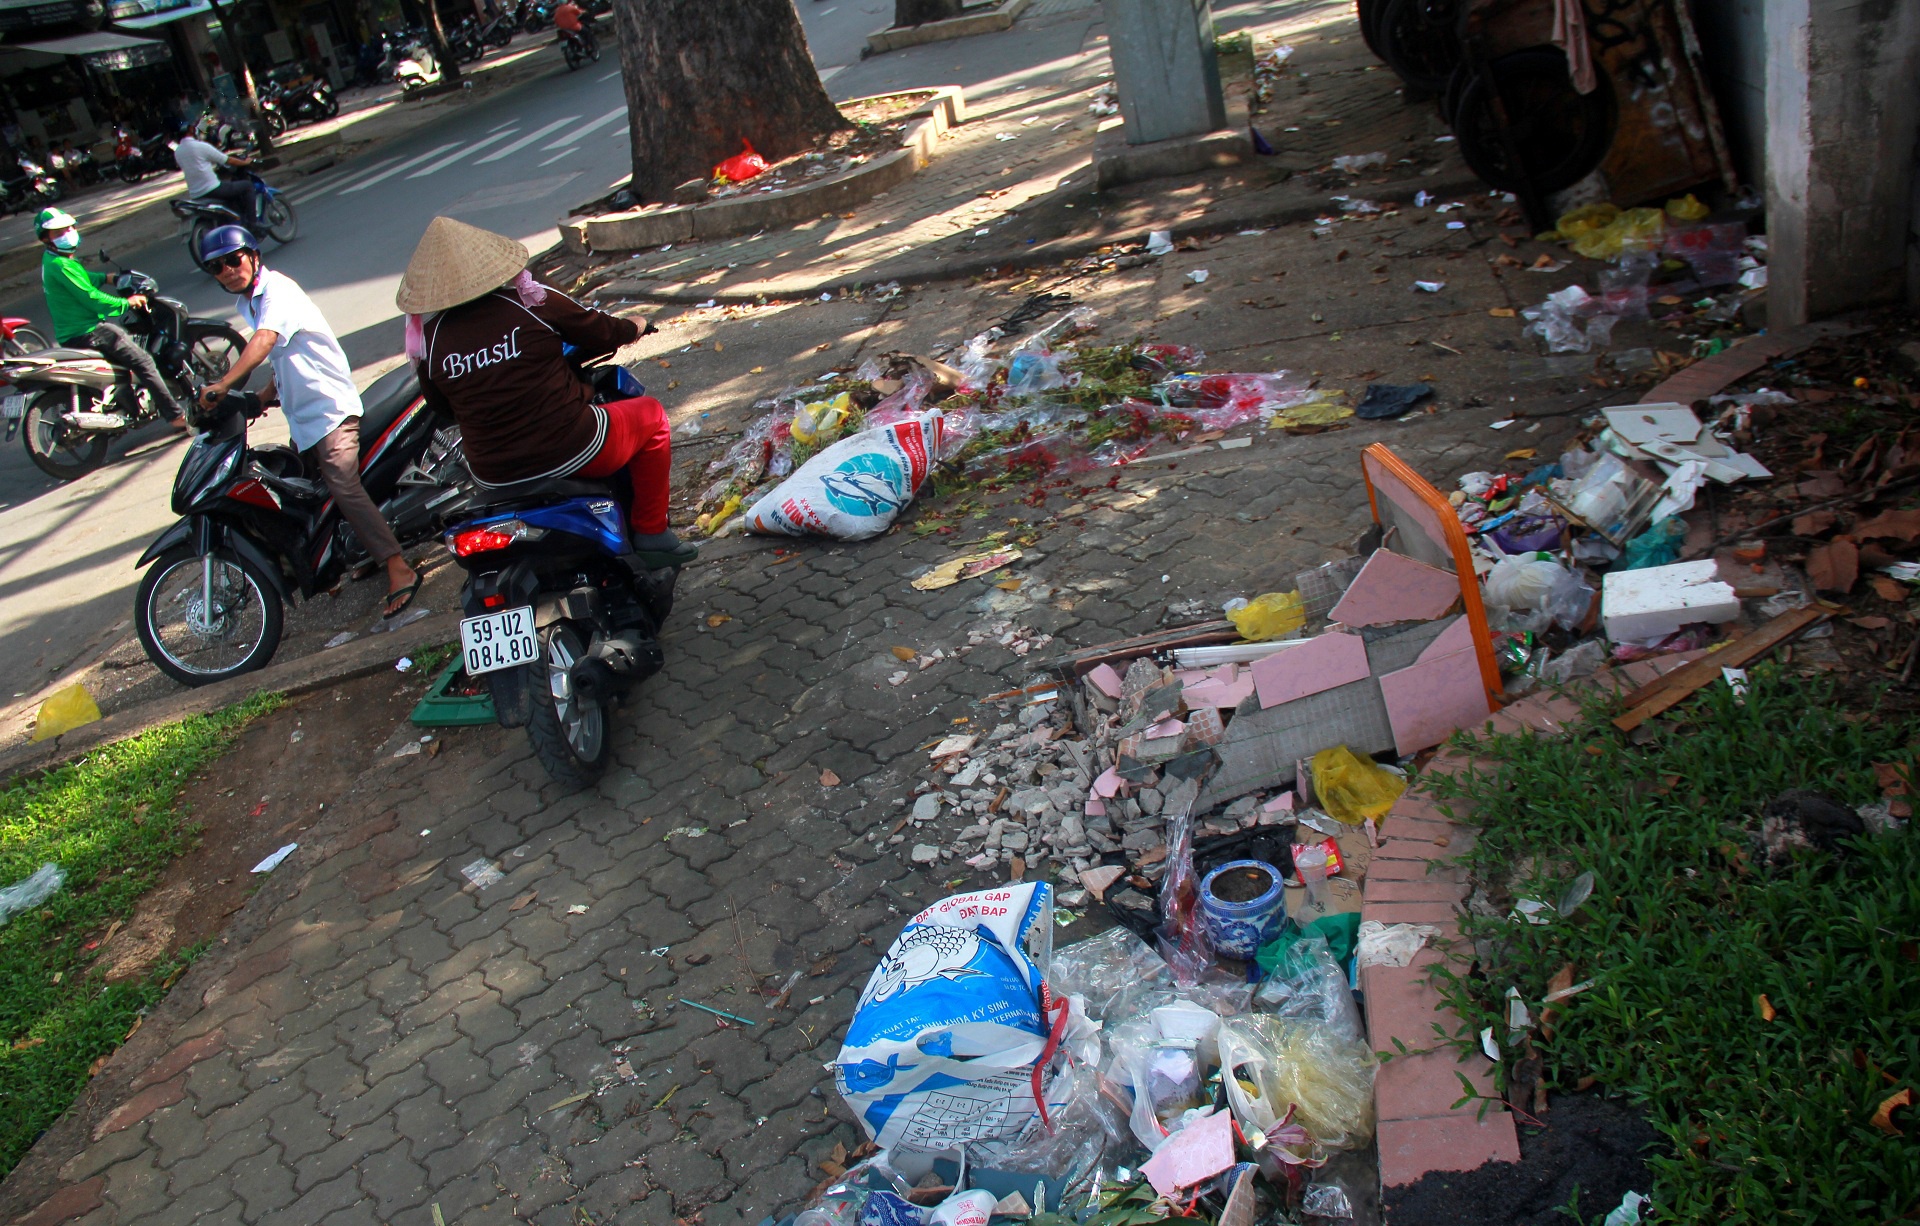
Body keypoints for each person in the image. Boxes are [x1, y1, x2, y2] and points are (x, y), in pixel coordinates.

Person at [394, 215, 694, 569]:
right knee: (652, 416)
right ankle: (652, 532)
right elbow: (602, 330)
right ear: (492, 265)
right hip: (573, 448)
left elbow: (443, 407)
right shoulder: (528, 301)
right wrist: (636, 326)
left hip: (492, 473)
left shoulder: (429, 340)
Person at [193, 225, 423, 617]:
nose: (228, 270)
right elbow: (284, 356)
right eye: (217, 267)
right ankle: (353, 554)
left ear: (253, 256)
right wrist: (262, 396)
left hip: (330, 411)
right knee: (300, 493)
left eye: (233, 260)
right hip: (304, 419)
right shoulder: (248, 303)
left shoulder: (277, 292)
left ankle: (398, 566)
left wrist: (224, 384)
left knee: (341, 485)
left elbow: (266, 341)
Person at [35, 207, 189, 430]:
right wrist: (127, 303)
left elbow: (80, 280)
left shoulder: (53, 260)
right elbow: (92, 298)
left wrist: (106, 278)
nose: (67, 234)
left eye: (69, 228)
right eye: (58, 232)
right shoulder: (61, 264)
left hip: (72, 333)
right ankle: (175, 415)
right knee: (144, 361)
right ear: (45, 239)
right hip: (88, 330)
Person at [174, 119, 257, 233]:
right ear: (192, 130)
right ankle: (253, 223)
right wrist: (245, 162)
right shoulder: (200, 146)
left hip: (195, 194)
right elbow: (226, 160)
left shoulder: (178, 152)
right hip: (213, 189)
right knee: (247, 186)